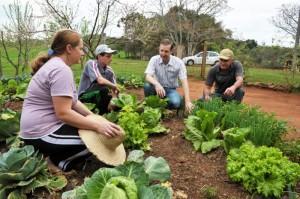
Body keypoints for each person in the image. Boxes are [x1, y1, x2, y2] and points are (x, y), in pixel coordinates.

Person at [20, 29, 123, 172]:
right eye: (80, 49)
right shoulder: (60, 69)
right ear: (69, 48)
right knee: (91, 143)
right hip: (40, 132)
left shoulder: (57, 66)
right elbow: (63, 113)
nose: (82, 53)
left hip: (40, 127)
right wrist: (97, 126)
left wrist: (94, 118)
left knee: (92, 131)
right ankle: (56, 162)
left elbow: (74, 102)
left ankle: (54, 152)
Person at [144, 39, 193, 113]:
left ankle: (163, 106)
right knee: (147, 86)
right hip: (156, 88)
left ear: (171, 51)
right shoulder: (154, 59)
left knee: (176, 103)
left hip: (170, 90)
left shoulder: (179, 63)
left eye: (166, 51)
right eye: (161, 50)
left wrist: (188, 101)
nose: (163, 53)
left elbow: (184, 82)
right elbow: (148, 76)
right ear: (159, 49)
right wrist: (157, 84)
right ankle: (151, 106)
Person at [78, 44, 119, 115]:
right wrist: (114, 86)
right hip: (84, 97)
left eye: (111, 56)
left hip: (98, 95)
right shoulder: (91, 63)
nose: (111, 59)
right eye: (108, 56)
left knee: (117, 103)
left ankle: (105, 114)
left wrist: (114, 100)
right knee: (104, 90)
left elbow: (115, 90)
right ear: (99, 56)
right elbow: (100, 80)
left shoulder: (110, 71)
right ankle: (100, 115)